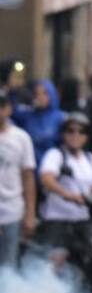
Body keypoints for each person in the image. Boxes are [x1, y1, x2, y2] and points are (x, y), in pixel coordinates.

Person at [36, 113, 92, 265]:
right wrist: (69, 195)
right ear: (63, 134)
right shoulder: (56, 155)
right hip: (58, 220)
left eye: (81, 131)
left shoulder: (90, 159)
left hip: (82, 221)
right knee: (53, 264)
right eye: (71, 131)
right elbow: (46, 179)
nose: (75, 135)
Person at [0, 91, 36, 267]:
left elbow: (28, 178)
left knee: (8, 266)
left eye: (1, 106)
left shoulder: (21, 138)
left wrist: (30, 214)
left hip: (12, 211)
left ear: (9, 109)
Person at [16, 79, 65, 165]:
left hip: (51, 167)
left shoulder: (60, 117)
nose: (40, 97)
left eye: (44, 93)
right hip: (30, 166)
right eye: (37, 94)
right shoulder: (27, 116)